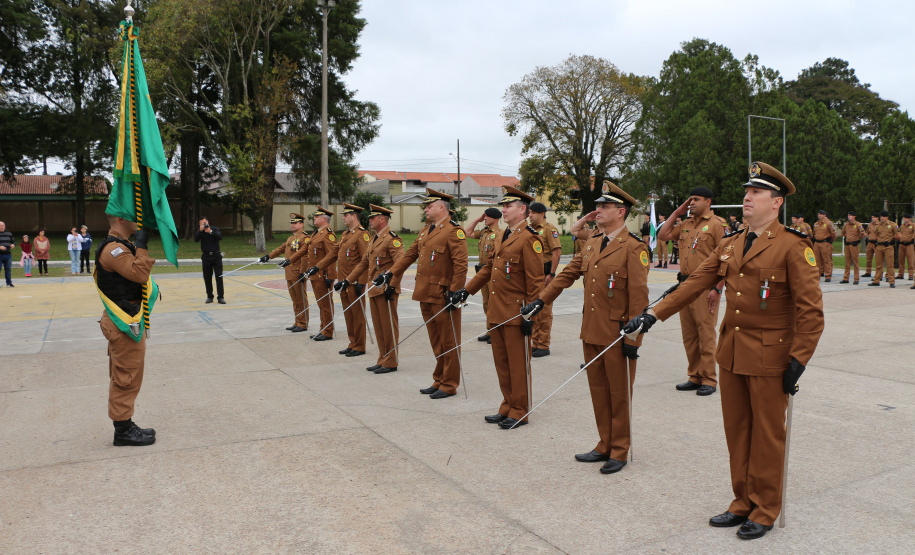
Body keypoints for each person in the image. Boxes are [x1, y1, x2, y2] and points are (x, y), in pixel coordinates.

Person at [625, 161, 824, 540]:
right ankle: (742, 501)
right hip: (731, 353)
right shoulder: (731, 242)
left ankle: (765, 507)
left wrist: (799, 360)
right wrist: (652, 315)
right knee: (737, 431)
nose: (747, 198)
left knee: (767, 434)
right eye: (746, 192)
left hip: (771, 357)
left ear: (776, 202)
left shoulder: (793, 246)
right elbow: (697, 281)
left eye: (756, 193)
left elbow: (811, 312)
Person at [521, 181, 649, 474]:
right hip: (591, 329)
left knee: (619, 393)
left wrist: (635, 339)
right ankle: (604, 443)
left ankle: (620, 449)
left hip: (618, 333)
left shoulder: (634, 247)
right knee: (598, 390)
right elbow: (567, 275)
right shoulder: (592, 242)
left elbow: (639, 297)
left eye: (604, 206)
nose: (598, 210)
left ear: (621, 211)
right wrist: (540, 301)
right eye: (598, 205)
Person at [453, 186, 544, 428]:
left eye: (508, 206)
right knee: (502, 363)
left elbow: (535, 283)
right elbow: (488, 269)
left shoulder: (530, 238)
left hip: (516, 312)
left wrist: (531, 316)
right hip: (496, 310)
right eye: (503, 206)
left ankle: (520, 410)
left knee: (517, 364)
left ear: (522, 209)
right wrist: (467, 290)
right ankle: (507, 405)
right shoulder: (503, 235)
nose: (503, 209)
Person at [383, 189, 468, 398]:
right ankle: (439, 379)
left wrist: (455, 292)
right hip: (425, 293)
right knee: (436, 340)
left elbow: (461, 264)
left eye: (429, 206)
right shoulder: (425, 230)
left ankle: (449, 384)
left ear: (441, 207)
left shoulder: (453, 231)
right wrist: (389, 274)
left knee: (449, 341)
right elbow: (409, 255)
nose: (426, 209)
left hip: (443, 294)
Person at [656, 187, 728, 396]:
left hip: (706, 287)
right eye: (690, 200)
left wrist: (717, 289)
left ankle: (709, 379)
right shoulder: (686, 223)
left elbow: (727, 259)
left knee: (705, 334)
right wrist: (676, 213)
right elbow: (663, 234)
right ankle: (694, 376)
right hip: (685, 286)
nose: (691, 203)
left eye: (695, 199)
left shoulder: (717, 225)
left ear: (708, 202)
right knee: (689, 335)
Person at [96, 214, 158, 446]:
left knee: (128, 373)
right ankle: (122, 430)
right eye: (135, 216)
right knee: (126, 375)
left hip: (126, 320)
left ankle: (125, 424)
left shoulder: (121, 246)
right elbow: (139, 274)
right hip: (123, 324)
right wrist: (141, 246)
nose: (139, 220)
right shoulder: (114, 250)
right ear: (121, 219)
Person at [339, 204, 404, 374]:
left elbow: (400, 263)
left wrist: (393, 285)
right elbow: (363, 263)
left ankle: (391, 361)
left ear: (382, 219)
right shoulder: (375, 238)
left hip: (386, 290)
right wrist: (347, 281)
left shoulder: (392, 238)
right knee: (379, 327)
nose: (369, 220)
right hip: (375, 289)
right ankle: (383, 358)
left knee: (388, 327)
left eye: (372, 218)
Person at [328, 203, 370, 357]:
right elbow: (334, 253)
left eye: (346, 215)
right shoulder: (346, 234)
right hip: (343, 282)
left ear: (354, 216)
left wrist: (362, 282)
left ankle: (359, 346)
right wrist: (317, 267)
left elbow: (366, 260)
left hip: (355, 283)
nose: (343, 218)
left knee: (357, 315)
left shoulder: (362, 234)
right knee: (348, 314)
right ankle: (352, 342)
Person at [261, 213, 310, 332]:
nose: (292, 225)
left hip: (297, 272)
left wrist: (303, 272)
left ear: (301, 224)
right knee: (294, 299)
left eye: (295, 223)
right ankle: (297, 321)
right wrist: (268, 256)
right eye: (291, 223)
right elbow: (281, 248)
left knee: (300, 298)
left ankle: (303, 323)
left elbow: (305, 256)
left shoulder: (305, 238)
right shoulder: (291, 238)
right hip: (289, 272)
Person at [529, 202, 562, 358]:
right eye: (529, 213)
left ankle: (543, 345)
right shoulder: (531, 231)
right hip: (533, 277)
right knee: (534, 310)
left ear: (541, 214)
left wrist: (552, 274)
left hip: (545, 275)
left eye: (532, 213)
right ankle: (535, 343)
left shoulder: (549, 229)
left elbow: (556, 252)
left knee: (545, 312)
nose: (530, 215)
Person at [465, 207, 503, 343]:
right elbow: (467, 233)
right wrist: (477, 220)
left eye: (487, 216)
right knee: (486, 303)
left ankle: (497, 331)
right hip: (482, 272)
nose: (484, 218)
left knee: (494, 303)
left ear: (495, 218)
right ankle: (490, 330)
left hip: (492, 273)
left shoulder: (500, 233)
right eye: (484, 216)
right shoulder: (484, 232)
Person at [302, 207, 337, 341]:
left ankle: (328, 331)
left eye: (316, 217)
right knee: (321, 304)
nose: (314, 218)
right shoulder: (316, 233)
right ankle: (323, 328)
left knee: (326, 304)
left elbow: (332, 256)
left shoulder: (328, 235)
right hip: (316, 275)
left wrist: (331, 276)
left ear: (324, 219)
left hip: (324, 275)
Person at [194, 216, 225, 304]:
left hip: (216, 256)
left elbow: (220, 237)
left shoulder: (214, 229)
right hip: (206, 257)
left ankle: (221, 297)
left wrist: (210, 231)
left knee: (219, 276)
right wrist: (200, 230)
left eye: (205, 223)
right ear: (199, 224)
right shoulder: (200, 232)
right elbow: (196, 239)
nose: (204, 225)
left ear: (208, 221)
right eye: (202, 224)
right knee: (207, 277)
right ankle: (209, 296)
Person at [868, 210, 900, 288]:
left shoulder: (892, 225)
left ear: (887, 217)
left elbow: (898, 235)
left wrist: (892, 240)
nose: (882, 218)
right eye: (881, 216)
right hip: (879, 246)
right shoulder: (878, 225)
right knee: (878, 265)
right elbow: (875, 234)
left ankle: (891, 281)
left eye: (884, 216)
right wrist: (876, 240)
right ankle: (876, 280)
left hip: (888, 246)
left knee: (890, 265)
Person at [840, 211, 865, 284]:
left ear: (854, 216)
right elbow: (842, 233)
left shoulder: (858, 224)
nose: (849, 217)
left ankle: (856, 279)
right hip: (847, 245)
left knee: (855, 262)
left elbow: (863, 234)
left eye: (851, 215)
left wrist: (857, 238)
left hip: (854, 245)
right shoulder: (846, 225)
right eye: (848, 215)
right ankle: (845, 278)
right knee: (847, 263)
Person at [812, 210, 837, 281]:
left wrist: (830, 241)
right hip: (817, 243)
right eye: (818, 214)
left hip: (825, 243)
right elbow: (814, 233)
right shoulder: (816, 224)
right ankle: (817, 274)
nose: (819, 215)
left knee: (826, 260)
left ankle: (828, 275)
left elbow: (834, 234)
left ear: (824, 215)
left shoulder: (829, 223)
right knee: (817, 260)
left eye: (820, 214)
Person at [896, 214, 914, 281]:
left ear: (909, 219)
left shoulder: (913, 225)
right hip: (902, 244)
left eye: (906, 218)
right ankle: (900, 274)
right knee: (901, 260)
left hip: (909, 244)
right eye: (904, 218)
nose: (905, 219)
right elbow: (899, 233)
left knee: (910, 260)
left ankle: (911, 275)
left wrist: (912, 239)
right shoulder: (902, 226)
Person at [862, 212, 879, 277]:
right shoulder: (870, 225)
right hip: (870, 242)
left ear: (877, 218)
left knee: (878, 259)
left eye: (874, 217)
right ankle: (868, 272)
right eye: (872, 217)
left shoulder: (879, 225)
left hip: (876, 243)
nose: (873, 218)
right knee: (868, 258)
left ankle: (879, 273)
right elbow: (868, 232)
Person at [0, 221, 14, 287]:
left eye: (2, 226)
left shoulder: (9, 233)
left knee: (8, 269)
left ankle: (9, 283)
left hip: (8, 254)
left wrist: (13, 245)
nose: (1, 227)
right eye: (0, 226)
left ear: (5, 226)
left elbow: (13, 242)